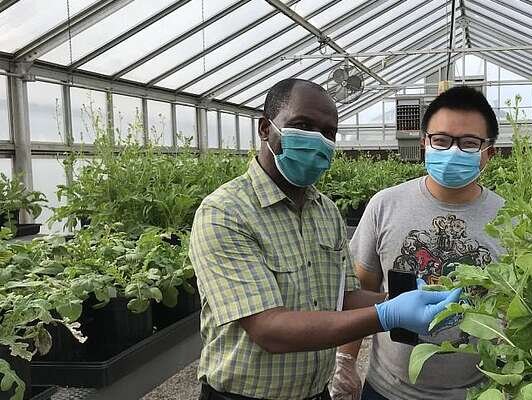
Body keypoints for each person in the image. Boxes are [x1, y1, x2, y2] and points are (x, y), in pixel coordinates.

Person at [189, 78, 461, 400]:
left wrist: (404, 298)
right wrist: (387, 315)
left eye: (328, 133)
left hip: (316, 393)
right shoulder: (226, 213)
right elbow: (269, 329)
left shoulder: (326, 211)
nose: (317, 140)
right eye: (303, 125)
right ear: (266, 129)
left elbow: (343, 298)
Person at [331, 86, 506, 400]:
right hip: (387, 390)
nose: (452, 151)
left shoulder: (509, 221)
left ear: (488, 153)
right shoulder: (385, 205)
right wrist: (345, 361)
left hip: (477, 392)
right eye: (441, 140)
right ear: (425, 143)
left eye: (469, 144)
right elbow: (360, 289)